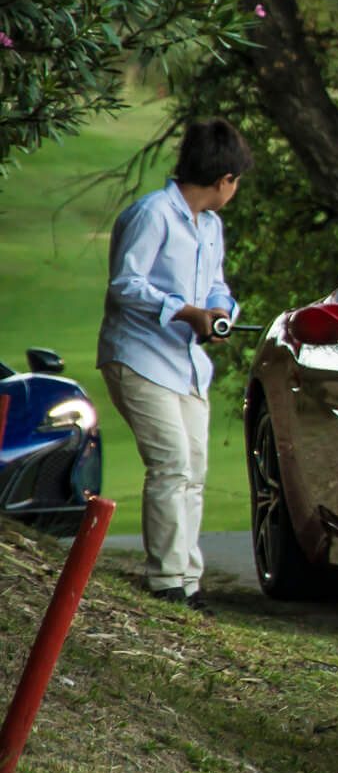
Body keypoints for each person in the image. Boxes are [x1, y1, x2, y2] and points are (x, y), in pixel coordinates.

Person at [97, 118, 254, 611]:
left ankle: (187, 580)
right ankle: (165, 579)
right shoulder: (152, 214)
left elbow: (216, 287)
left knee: (195, 470)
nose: (234, 190)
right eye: (236, 182)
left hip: (185, 363)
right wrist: (186, 312)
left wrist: (220, 311)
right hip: (139, 356)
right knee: (171, 464)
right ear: (224, 179)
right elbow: (126, 284)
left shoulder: (210, 226)